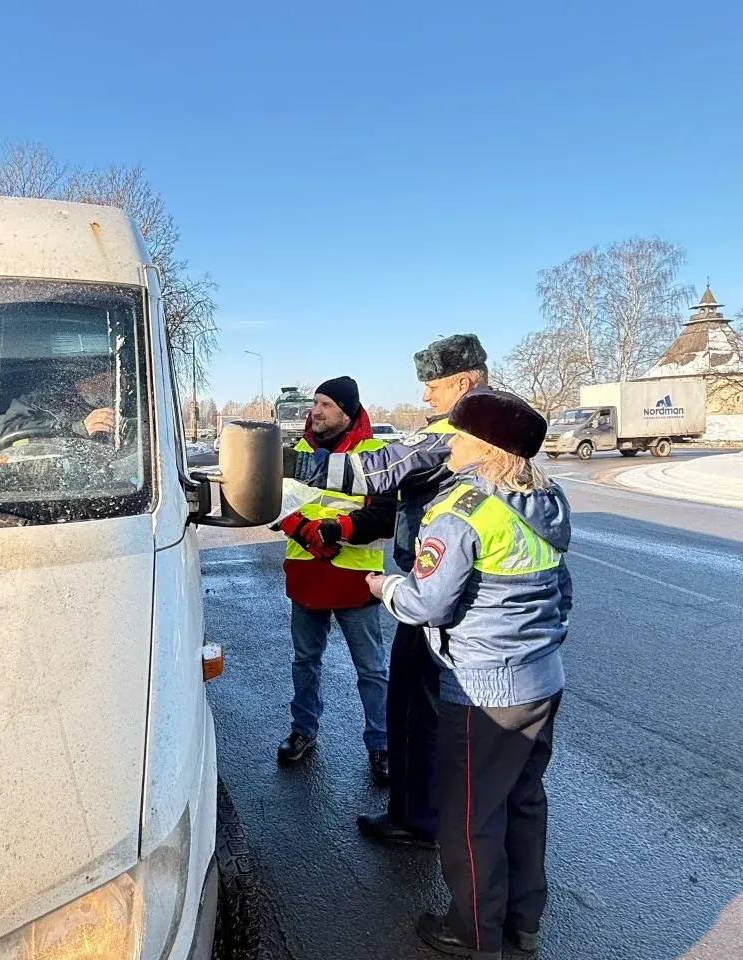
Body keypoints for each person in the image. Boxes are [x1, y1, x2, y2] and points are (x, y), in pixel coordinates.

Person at [366, 388, 572, 960]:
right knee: (524, 802)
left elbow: (429, 603)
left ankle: (474, 933)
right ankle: (522, 925)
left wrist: (387, 589)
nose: (447, 444)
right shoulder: (547, 500)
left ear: (482, 446)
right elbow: (561, 592)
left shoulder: (463, 512)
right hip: (543, 680)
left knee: (468, 818)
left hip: (484, 691)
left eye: (456, 436)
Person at [326, 334, 490, 848]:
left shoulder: (464, 431)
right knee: (418, 704)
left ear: (464, 382)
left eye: (433, 385)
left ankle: (417, 818)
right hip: (440, 587)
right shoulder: (490, 425)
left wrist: (288, 465)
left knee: (416, 707)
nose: (425, 397)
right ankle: (420, 809)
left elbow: (382, 468)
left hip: (433, 593)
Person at [274, 377, 397, 784]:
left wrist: (336, 529)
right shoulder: (300, 452)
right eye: (315, 403)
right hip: (307, 575)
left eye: (325, 404)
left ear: (347, 409)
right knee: (305, 661)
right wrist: (303, 530)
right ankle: (303, 731)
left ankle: (381, 747)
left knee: (371, 668)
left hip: (354, 580)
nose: (316, 411)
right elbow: (274, 504)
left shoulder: (375, 454)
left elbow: (383, 517)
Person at [0, 362, 117, 441]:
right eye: (104, 378)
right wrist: (77, 429)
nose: (106, 387)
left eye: (114, 386)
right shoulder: (41, 399)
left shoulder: (110, 413)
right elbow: (7, 431)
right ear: (84, 378)